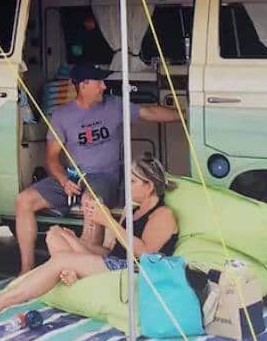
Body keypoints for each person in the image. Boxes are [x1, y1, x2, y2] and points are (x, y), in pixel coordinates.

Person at [12, 63, 180, 274]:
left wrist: (185, 114)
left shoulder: (114, 105)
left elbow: (150, 112)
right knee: (23, 201)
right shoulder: (62, 116)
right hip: (72, 176)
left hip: (103, 176)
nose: (103, 86)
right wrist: (64, 181)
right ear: (83, 86)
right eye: (98, 82)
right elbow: (51, 158)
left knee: (90, 203)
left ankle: (83, 268)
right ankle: (25, 270)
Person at [0, 154, 178, 319]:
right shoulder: (132, 209)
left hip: (133, 269)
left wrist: (109, 222)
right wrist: (79, 240)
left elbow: (145, 253)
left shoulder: (163, 215)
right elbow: (114, 248)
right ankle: (71, 273)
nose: (127, 187)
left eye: (133, 182)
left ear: (149, 186)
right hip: (113, 260)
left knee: (62, 259)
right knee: (55, 234)